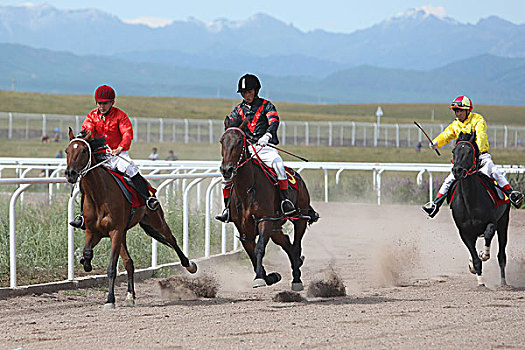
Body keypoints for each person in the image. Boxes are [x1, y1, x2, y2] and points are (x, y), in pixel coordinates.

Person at [69, 84, 159, 229]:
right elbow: (88, 129)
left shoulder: (120, 116)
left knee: (131, 170)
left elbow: (127, 133)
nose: (102, 106)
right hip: (99, 156)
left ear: (112, 102)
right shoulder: (91, 116)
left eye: (105, 103)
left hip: (117, 154)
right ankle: (82, 216)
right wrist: (84, 135)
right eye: (99, 103)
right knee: (85, 180)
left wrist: (120, 148)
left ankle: (148, 199)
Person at [422, 95, 524, 218]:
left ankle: (512, 195)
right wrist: (436, 142)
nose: (457, 113)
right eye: (456, 111)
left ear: (467, 110)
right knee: (449, 180)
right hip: (465, 161)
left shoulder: (478, 120)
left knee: (494, 172)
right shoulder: (455, 124)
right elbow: (446, 135)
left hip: (481, 157)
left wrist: (478, 152)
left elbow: (481, 136)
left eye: (459, 110)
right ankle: (435, 205)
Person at [215, 73, 295, 223]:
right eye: (244, 93)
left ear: (256, 91)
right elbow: (232, 127)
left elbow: (274, 122)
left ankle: (285, 201)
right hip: (246, 149)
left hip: (265, 148)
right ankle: (227, 209)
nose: (246, 95)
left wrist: (267, 136)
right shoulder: (237, 110)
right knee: (227, 176)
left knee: (278, 164)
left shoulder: (267, 106)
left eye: (249, 92)